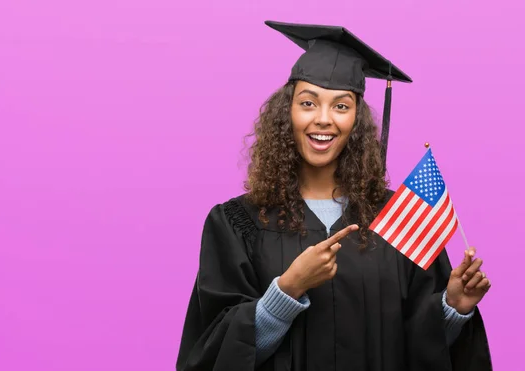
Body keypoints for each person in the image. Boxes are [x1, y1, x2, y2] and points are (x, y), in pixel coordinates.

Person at [175, 20, 493, 371]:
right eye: (308, 103)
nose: (324, 119)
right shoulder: (238, 224)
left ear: (357, 120)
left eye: (341, 106)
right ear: (288, 113)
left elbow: (419, 346)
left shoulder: (401, 219)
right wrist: (287, 290)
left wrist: (452, 308)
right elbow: (213, 353)